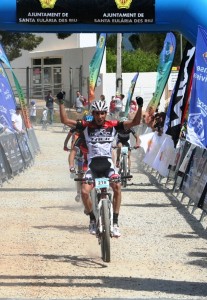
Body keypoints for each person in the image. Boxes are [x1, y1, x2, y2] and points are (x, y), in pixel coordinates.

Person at [56, 94, 143, 237]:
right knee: (84, 192)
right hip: (93, 167)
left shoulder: (113, 125)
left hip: (108, 166)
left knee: (117, 187)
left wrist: (139, 107)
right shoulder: (85, 126)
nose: (100, 116)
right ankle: (92, 220)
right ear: (93, 113)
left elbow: (135, 122)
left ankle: (115, 223)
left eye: (102, 113)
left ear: (106, 113)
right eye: (97, 113)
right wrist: (60, 102)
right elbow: (65, 120)